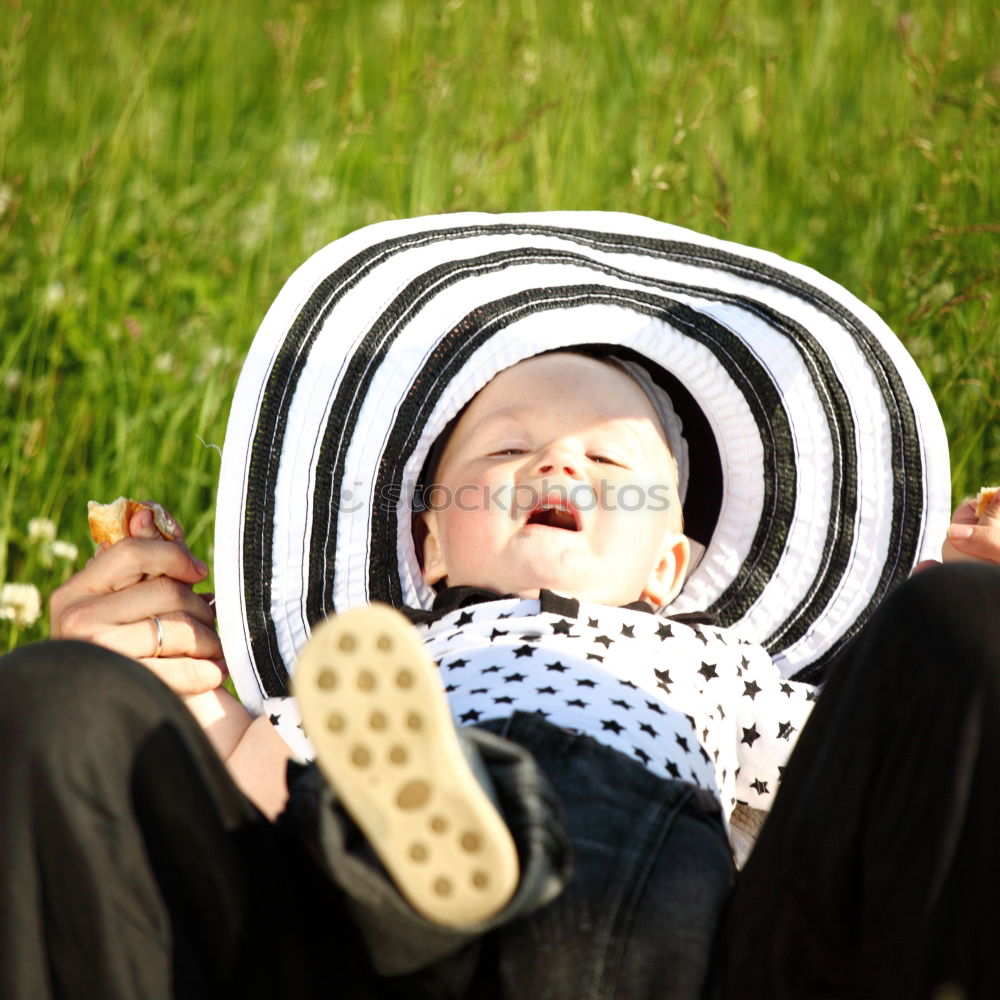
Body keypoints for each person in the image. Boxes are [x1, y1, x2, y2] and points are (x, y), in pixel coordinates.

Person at [2, 211, 998, 999]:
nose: (557, 460)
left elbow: (844, 787)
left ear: (669, 567)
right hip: (377, 909)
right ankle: (428, 846)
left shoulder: (725, 667)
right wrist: (169, 674)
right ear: (428, 544)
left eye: (610, 462)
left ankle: (441, 852)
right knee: (225, 750)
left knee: (961, 627)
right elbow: (254, 779)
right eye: (503, 452)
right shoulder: (386, 666)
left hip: (646, 906)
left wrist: (932, 644)